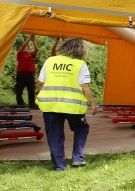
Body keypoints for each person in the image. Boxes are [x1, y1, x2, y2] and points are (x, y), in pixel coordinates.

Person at [36, 38, 99, 171]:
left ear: (64, 47)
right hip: (73, 106)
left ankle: (60, 166)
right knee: (81, 128)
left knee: (54, 135)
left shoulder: (50, 61)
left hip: (51, 105)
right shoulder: (80, 64)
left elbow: (41, 83)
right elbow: (84, 86)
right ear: (80, 50)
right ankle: (78, 158)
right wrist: (93, 103)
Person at [15, 34, 38, 107]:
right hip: (22, 74)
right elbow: (22, 47)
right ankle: (20, 104)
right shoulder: (20, 54)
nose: (26, 48)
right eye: (25, 47)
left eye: (28, 47)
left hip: (30, 75)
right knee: (19, 90)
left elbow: (37, 50)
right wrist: (29, 39)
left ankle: (32, 104)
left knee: (31, 90)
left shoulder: (31, 55)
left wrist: (33, 41)